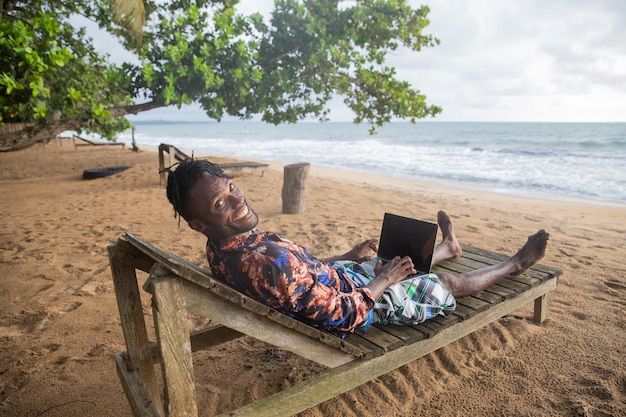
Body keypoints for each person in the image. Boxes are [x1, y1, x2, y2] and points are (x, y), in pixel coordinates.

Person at [165, 159, 549, 337]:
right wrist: (383, 280)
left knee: (400, 259)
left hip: (335, 279)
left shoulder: (226, 247)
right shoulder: (265, 264)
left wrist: (346, 258)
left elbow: (300, 277)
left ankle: (448, 246)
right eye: (220, 204)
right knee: (445, 285)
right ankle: (514, 264)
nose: (236, 200)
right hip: (358, 307)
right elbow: (344, 315)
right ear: (199, 223)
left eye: (231, 187)